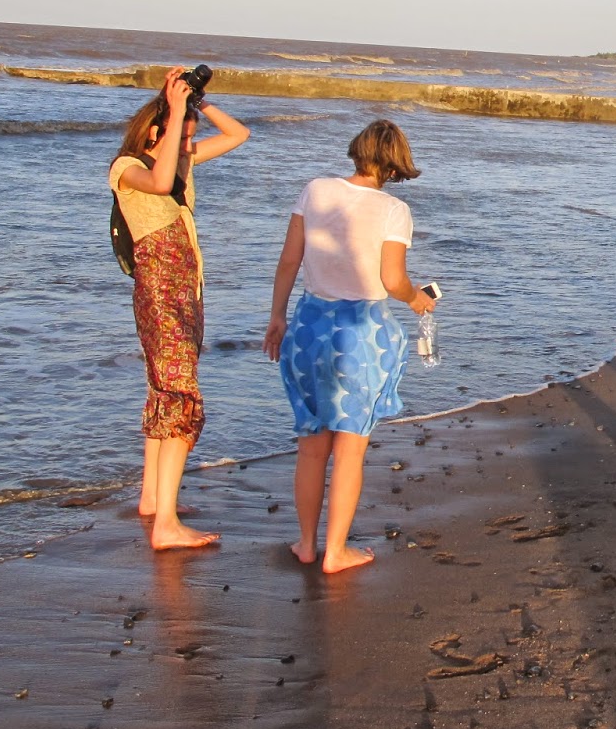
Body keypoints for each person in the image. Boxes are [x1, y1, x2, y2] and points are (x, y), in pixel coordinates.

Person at [263, 120, 437, 574]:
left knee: (311, 443)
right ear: (396, 164)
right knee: (350, 446)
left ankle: (305, 543)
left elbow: (289, 260)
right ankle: (335, 552)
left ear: (357, 151)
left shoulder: (316, 190)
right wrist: (417, 298)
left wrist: (277, 316)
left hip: (307, 324)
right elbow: (392, 280)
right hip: (358, 334)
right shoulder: (393, 210)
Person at [110, 70, 250, 550]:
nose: (190, 142)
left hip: (187, 293)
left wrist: (201, 102)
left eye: (190, 135)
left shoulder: (180, 161)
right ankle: (166, 526)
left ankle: (153, 499)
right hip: (160, 296)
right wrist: (173, 115)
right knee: (180, 398)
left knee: (162, 391)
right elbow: (160, 178)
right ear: (156, 130)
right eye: (180, 134)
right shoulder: (127, 168)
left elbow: (238, 135)